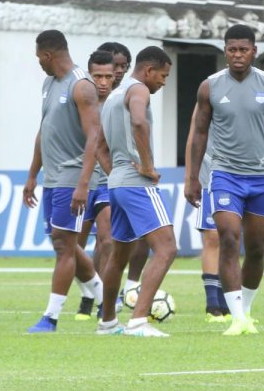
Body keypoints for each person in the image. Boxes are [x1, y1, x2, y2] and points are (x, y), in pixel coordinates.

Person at [186, 24, 264, 335]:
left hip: (260, 177)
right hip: (224, 175)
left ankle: (245, 310)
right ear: (225, 50)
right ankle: (235, 317)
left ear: (254, 51)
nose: (237, 55)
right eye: (232, 49)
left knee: (257, 248)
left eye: (243, 49)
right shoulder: (210, 87)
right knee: (229, 238)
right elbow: (199, 133)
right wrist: (192, 177)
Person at [22, 30, 105, 333]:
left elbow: (95, 134)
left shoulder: (81, 86)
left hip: (74, 177)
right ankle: (105, 299)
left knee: (63, 245)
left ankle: (51, 317)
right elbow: (45, 131)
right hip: (53, 177)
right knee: (64, 241)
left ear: (48, 56)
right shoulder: (49, 83)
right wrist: (32, 174)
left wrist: (84, 183)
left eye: (39, 59)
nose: (39, 65)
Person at [97, 46, 176, 337]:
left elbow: (99, 148)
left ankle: (106, 323)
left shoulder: (112, 97)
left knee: (118, 257)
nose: (164, 82)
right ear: (148, 71)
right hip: (136, 183)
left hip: (116, 184)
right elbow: (139, 122)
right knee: (167, 248)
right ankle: (138, 321)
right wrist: (147, 166)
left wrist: (117, 175)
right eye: (163, 75)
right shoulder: (138, 89)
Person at [98, 41, 150, 296]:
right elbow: (96, 144)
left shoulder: (133, 92)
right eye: (113, 66)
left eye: (122, 66)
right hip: (102, 177)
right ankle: (96, 296)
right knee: (106, 240)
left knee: (138, 237)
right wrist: (116, 173)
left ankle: (130, 288)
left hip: (120, 177)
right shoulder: (96, 95)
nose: (117, 71)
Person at [73, 50, 120, 321]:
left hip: (107, 183)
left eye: (108, 77)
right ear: (89, 76)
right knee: (74, 246)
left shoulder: (119, 103)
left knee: (107, 239)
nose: (103, 82)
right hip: (80, 182)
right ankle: (89, 292)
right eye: (97, 76)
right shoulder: (79, 101)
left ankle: (104, 301)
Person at [186, 106, 230, 322]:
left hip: (242, 176)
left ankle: (228, 302)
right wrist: (190, 176)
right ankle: (212, 304)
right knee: (212, 236)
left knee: (231, 239)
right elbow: (194, 135)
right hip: (209, 176)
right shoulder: (211, 90)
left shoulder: (259, 89)